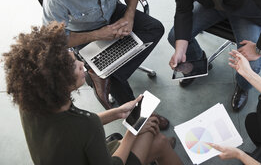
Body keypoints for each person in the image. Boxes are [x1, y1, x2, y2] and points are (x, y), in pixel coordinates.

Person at [2, 22, 183, 165]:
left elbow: (75, 129)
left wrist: (118, 112)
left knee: (152, 136)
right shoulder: (86, 126)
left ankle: (158, 149)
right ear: (60, 83)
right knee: (156, 137)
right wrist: (132, 132)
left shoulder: (32, 102)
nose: (82, 64)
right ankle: (161, 148)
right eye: (74, 66)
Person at [42, 0, 169, 129]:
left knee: (155, 28)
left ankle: (104, 76)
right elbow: (55, 40)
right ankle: (140, 118)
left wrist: (129, 15)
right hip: (84, 34)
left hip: (114, 14)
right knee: (114, 77)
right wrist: (98, 34)